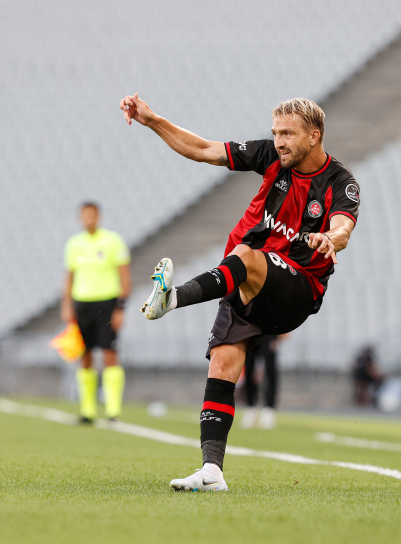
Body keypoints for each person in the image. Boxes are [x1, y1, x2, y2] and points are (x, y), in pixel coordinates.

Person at [120, 93, 359, 491]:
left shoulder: (340, 182)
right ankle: (212, 471)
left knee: (246, 255)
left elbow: (343, 227)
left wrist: (331, 238)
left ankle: (172, 298)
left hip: (299, 287)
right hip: (246, 282)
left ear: (314, 136)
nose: (279, 141)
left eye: (288, 133)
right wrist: (151, 120)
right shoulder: (269, 156)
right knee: (222, 367)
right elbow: (201, 149)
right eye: (275, 132)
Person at [62, 202, 131, 423]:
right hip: (81, 303)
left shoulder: (112, 241)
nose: (88, 220)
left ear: (98, 217)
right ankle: (88, 410)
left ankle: (113, 410)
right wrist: (66, 305)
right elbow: (69, 278)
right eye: (84, 216)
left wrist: (120, 308)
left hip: (107, 303)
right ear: (80, 218)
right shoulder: (74, 244)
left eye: (92, 216)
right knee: (85, 355)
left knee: (110, 353)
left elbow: (125, 277)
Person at [240, 334, 287, 430]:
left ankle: (269, 410)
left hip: (269, 332)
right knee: (248, 369)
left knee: (270, 371)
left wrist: (280, 334)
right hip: (251, 332)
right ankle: (251, 407)